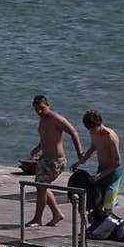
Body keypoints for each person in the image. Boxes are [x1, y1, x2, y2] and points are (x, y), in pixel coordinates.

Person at [26, 94, 84, 227]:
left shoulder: (56, 118)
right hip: (44, 159)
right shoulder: (42, 119)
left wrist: (79, 153)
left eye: (41, 108)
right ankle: (57, 214)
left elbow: (73, 132)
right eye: (36, 110)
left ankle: (37, 218)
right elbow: (46, 138)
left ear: (48, 105)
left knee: (41, 186)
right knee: (42, 187)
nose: (39, 112)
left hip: (56, 161)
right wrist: (36, 149)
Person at [77, 109, 123, 218]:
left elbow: (117, 162)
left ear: (99, 123)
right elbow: (94, 147)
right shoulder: (93, 133)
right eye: (89, 130)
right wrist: (80, 161)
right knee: (97, 202)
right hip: (101, 170)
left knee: (108, 206)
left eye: (93, 129)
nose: (91, 132)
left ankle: (108, 227)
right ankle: (96, 226)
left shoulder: (110, 137)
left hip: (113, 174)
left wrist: (99, 176)